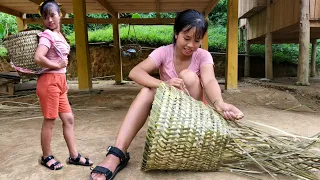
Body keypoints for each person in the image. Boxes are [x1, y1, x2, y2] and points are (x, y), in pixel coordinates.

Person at [90, 9, 244, 180]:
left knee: (188, 76)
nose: (191, 45)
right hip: (169, 117)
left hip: (194, 117)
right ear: (176, 33)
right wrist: (164, 85)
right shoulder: (164, 52)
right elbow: (135, 72)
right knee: (148, 90)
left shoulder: (203, 56)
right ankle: (118, 153)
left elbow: (209, 81)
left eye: (197, 40)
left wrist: (220, 104)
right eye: (186, 38)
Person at [34, 0, 93, 170]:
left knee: (68, 119)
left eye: (52, 15)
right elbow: (39, 57)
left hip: (59, 82)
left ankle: (74, 156)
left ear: (60, 14)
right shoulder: (47, 35)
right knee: (50, 120)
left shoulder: (59, 35)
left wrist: (63, 76)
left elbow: (61, 62)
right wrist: (56, 65)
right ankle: (46, 157)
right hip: (49, 81)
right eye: (45, 17)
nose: (49, 20)